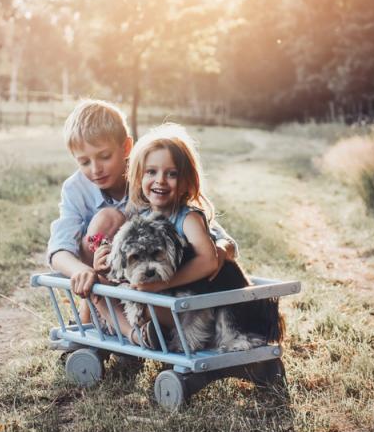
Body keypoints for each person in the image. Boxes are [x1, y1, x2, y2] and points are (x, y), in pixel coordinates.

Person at [47, 101, 236, 331]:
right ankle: (91, 326)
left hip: (147, 274)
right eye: (84, 161)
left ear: (126, 148)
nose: (95, 169)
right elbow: (59, 248)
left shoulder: (151, 178)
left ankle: (139, 327)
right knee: (109, 218)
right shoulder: (76, 188)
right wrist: (82, 270)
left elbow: (207, 231)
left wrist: (224, 246)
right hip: (100, 270)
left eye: (104, 156)